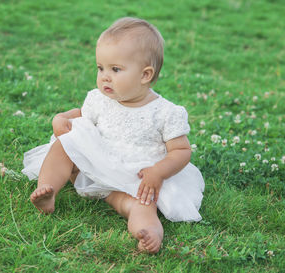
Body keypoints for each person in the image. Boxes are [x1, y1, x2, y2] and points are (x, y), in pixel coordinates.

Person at [22, 17, 204, 254]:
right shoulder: (100, 99)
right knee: (65, 144)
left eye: (115, 69)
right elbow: (80, 115)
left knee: (140, 203)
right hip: (99, 163)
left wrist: (158, 172)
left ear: (145, 75)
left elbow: (181, 151)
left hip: (136, 177)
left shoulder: (166, 113)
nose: (105, 76)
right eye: (101, 68)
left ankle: (149, 232)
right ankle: (47, 191)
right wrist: (62, 118)